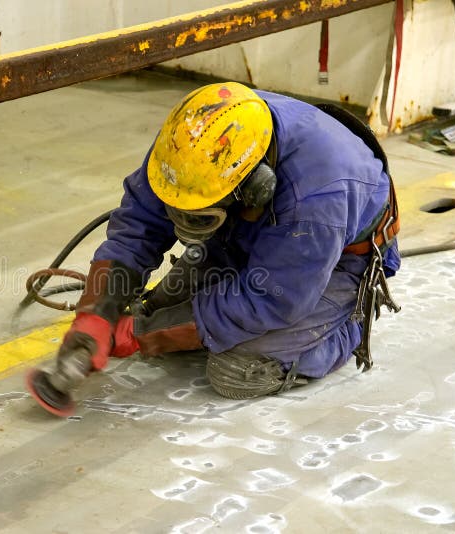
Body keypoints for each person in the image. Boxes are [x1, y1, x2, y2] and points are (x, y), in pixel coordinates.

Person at [27, 82, 401, 416]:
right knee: (159, 312)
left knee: (237, 370)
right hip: (254, 231)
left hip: (335, 261)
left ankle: (348, 322)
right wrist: (97, 310)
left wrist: (141, 334)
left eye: (198, 217)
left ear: (254, 188)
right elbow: (140, 222)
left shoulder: (317, 202)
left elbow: (271, 299)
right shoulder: (190, 141)